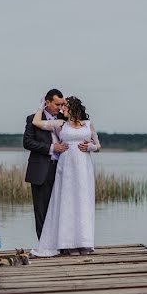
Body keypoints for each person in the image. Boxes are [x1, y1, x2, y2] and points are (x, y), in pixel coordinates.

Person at [29, 95, 101, 257]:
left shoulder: (88, 124)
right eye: (62, 107)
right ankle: (68, 244)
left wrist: (90, 147)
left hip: (83, 168)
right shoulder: (61, 124)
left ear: (73, 109)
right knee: (67, 203)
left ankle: (84, 242)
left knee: (83, 202)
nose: (62, 109)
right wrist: (41, 106)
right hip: (66, 168)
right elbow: (36, 122)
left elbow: (98, 145)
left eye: (65, 107)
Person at [24, 89, 68, 239]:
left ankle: (61, 243)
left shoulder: (67, 118)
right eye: (57, 104)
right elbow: (27, 142)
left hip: (63, 169)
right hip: (41, 169)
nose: (60, 107)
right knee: (41, 209)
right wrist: (51, 148)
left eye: (62, 104)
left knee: (61, 208)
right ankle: (43, 245)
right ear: (47, 102)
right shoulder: (32, 118)